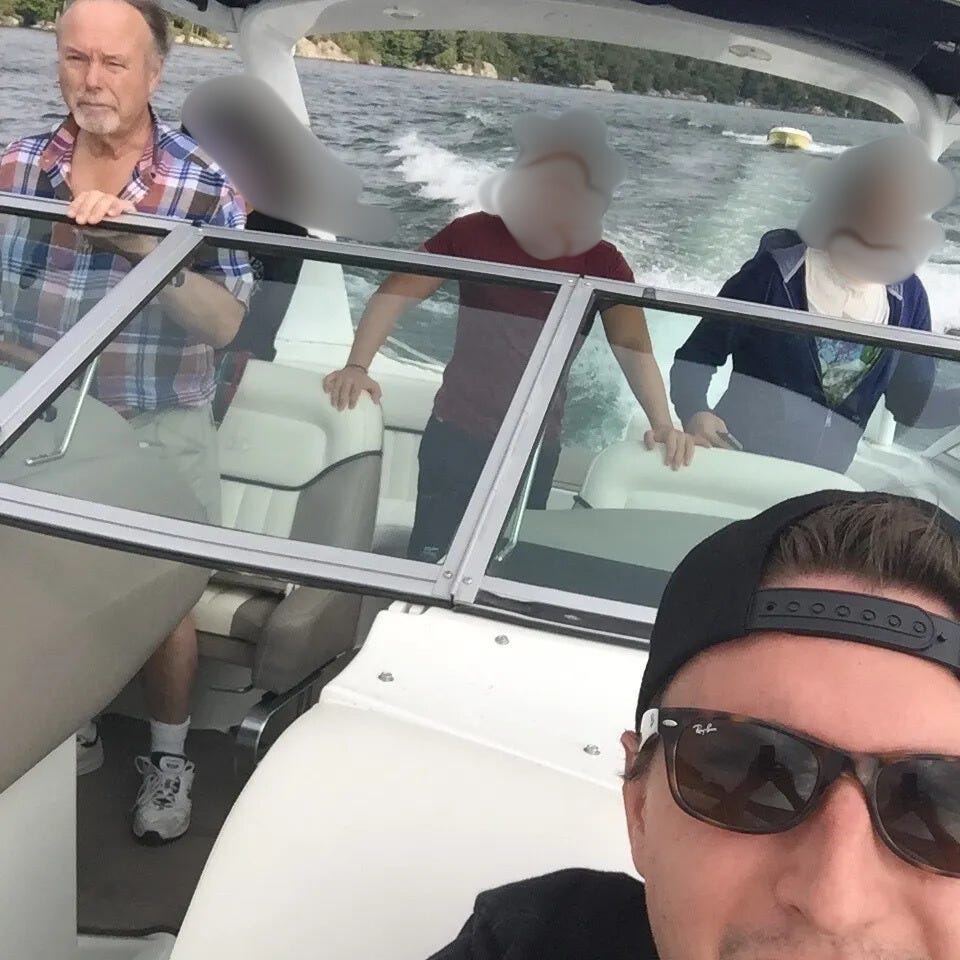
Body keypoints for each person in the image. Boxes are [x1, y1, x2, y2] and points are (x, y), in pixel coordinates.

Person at [429, 488, 960, 958]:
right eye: (745, 774)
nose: (833, 904)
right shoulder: (532, 940)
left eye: (941, 805)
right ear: (639, 810)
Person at [0, 0, 252, 843]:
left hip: (156, 421)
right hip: (43, 424)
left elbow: (227, 323)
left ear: (154, 71)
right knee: (34, 575)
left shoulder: (203, 185)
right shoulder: (17, 166)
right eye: (77, 59)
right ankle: (63, 723)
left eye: (114, 63)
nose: (92, 80)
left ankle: (170, 758)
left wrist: (145, 249)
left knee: (163, 598)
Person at [324, 110, 697, 563]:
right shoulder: (471, 233)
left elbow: (632, 347)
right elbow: (395, 293)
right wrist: (357, 366)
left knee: (504, 570)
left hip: (534, 446)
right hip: (455, 433)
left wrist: (662, 422)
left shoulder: (603, 261)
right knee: (429, 560)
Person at [671, 135, 959, 474]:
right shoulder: (773, 276)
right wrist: (695, 411)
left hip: (819, 488)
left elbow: (912, 405)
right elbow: (696, 356)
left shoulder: (909, 299)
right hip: (737, 465)